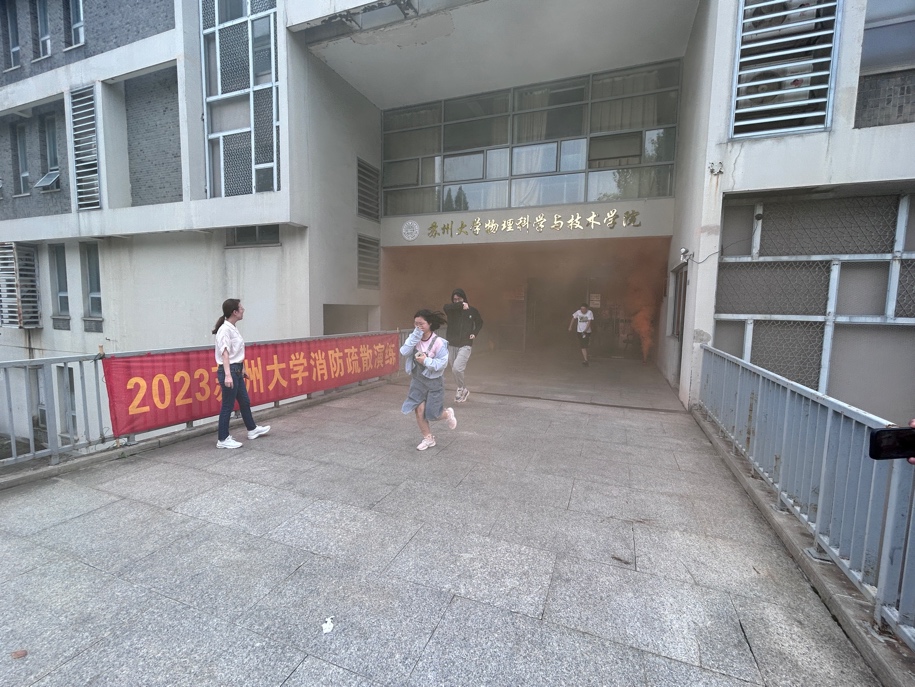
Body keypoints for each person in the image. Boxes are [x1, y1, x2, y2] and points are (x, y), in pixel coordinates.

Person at [212, 299, 270, 449]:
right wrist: (228, 375)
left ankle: (252, 429)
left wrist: (242, 368)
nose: (243, 310)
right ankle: (223, 439)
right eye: (241, 308)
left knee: (244, 401)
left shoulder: (232, 327)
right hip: (230, 370)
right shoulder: (225, 330)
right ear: (234, 312)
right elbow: (225, 353)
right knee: (227, 405)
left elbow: (235, 352)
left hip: (236, 369)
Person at [400, 309, 457, 450]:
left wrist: (426, 361)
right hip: (417, 380)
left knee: (433, 414)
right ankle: (428, 438)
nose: (418, 327)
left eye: (421, 324)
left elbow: (442, 364)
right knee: (419, 409)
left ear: (429, 323)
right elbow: (404, 351)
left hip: (434, 382)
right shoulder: (413, 338)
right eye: (416, 324)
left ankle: (447, 414)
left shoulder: (439, 342)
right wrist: (415, 336)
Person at [443, 288, 484, 403]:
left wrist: (474, 333)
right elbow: (445, 307)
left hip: (466, 344)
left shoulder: (472, 311)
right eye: (454, 299)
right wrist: (460, 305)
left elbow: (480, 322)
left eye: (459, 299)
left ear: (464, 298)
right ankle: (463, 389)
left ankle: (461, 388)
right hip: (452, 344)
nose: (456, 301)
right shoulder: (451, 310)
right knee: (454, 370)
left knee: (457, 368)